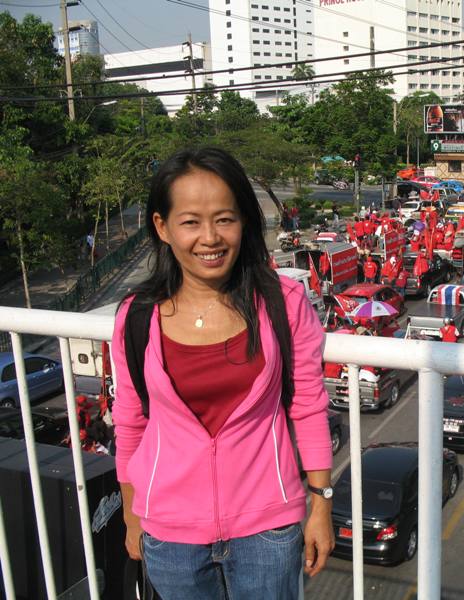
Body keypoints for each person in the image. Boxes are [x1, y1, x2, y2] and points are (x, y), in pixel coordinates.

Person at [111, 147, 333, 598]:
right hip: (170, 535)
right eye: (190, 221)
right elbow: (131, 420)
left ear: (244, 222)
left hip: (268, 529)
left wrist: (321, 506)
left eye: (224, 219)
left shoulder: (282, 302)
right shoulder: (137, 316)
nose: (210, 238)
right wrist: (133, 513)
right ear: (163, 227)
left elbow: (308, 407)